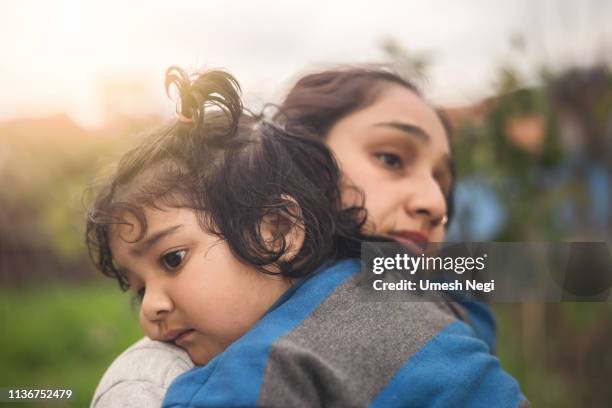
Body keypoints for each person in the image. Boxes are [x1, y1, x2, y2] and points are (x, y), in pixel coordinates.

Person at [90, 67, 527, 407]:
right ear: (303, 165)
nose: (435, 201)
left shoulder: (414, 272)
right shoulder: (184, 365)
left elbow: (577, 273)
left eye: (442, 180)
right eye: (392, 158)